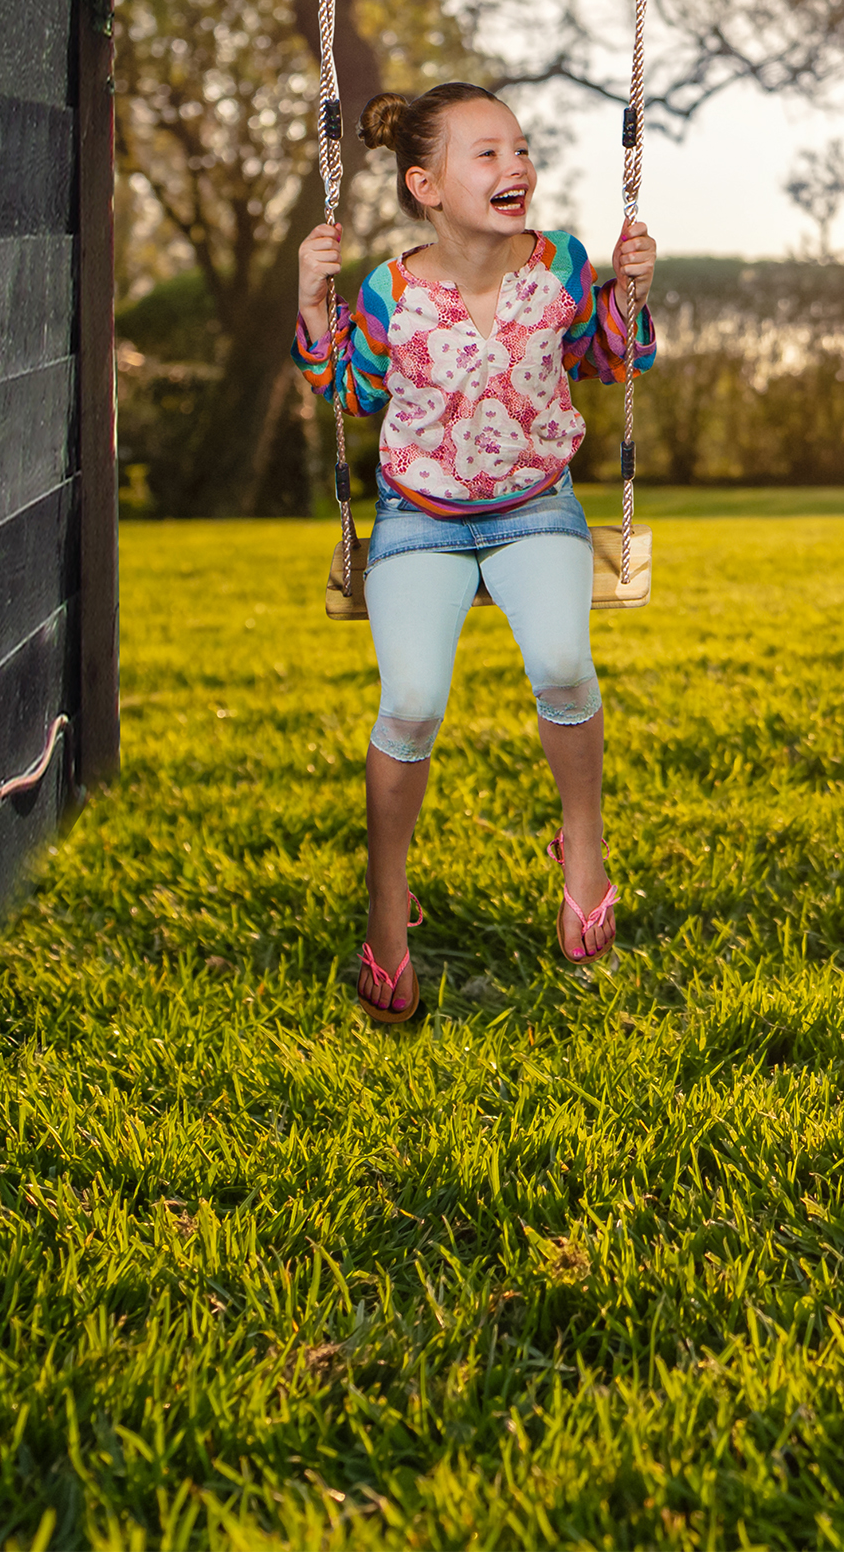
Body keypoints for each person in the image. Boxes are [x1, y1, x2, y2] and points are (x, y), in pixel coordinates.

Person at [294, 81, 657, 1024]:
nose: (517, 167)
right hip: (420, 519)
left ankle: (582, 842)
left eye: (522, 150)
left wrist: (630, 293)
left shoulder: (565, 265)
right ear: (426, 185)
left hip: (538, 506)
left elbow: (609, 359)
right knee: (410, 703)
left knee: (566, 668)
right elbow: (343, 386)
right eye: (487, 154)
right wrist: (309, 294)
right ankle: (386, 897)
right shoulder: (388, 290)